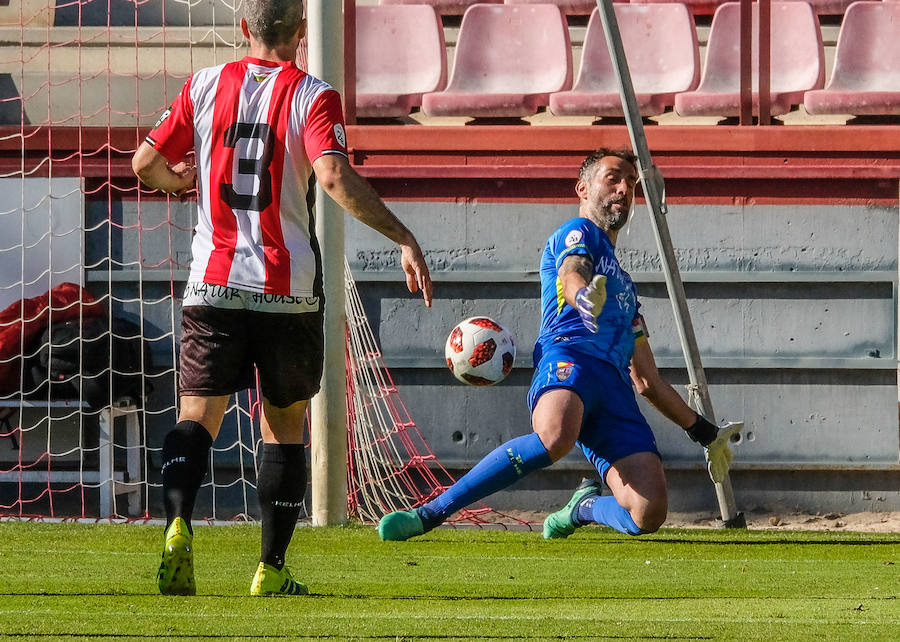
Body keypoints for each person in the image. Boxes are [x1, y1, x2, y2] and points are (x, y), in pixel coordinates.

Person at [132, 0, 432, 596]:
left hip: (211, 284)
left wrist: (182, 180)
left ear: (245, 28)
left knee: (196, 417)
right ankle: (270, 569)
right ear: (302, 33)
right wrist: (403, 235)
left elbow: (144, 162)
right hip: (286, 291)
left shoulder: (204, 85)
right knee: (284, 426)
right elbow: (333, 176)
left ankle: (177, 527)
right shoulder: (314, 96)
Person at [378, 148, 732, 543]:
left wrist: (703, 431)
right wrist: (582, 298)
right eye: (613, 178)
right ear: (582, 188)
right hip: (570, 356)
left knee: (648, 513)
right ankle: (429, 513)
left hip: (614, 389)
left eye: (631, 183)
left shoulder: (628, 290)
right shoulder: (577, 234)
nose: (624, 189)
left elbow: (646, 379)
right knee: (555, 436)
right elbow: (572, 271)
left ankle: (582, 508)